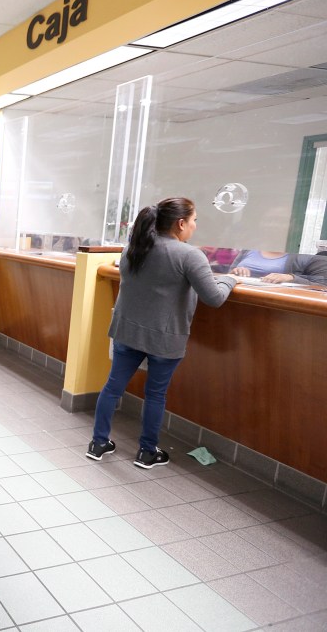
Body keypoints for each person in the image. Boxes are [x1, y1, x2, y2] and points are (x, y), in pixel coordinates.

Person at [86, 197, 237, 469]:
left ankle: (98, 443)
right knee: (155, 394)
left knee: (112, 387)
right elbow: (214, 297)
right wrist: (230, 279)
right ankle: (146, 452)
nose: (194, 226)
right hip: (163, 337)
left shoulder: (134, 247)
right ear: (181, 224)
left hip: (127, 330)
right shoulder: (189, 255)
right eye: (194, 221)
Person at [228, 249, 327, 286]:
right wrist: (235, 272)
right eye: (268, 220)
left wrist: (291, 278)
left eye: (280, 221)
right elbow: (228, 274)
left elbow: (324, 286)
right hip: (238, 299)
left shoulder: (310, 256)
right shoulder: (249, 248)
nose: (273, 224)